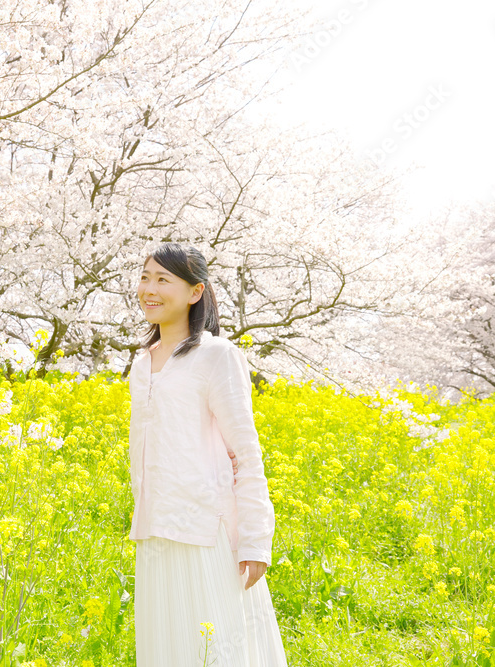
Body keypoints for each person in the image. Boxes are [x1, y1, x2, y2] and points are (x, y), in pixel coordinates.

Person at [129, 242, 289, 666]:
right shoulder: (142, 363)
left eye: (164, 279)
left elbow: (246, 452)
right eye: (145, 277)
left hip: (205, 530)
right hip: (155, 531)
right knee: (167, 649)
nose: (150, 288)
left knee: (217, 650)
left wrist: (255, 541)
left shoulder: (217, 355)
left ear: (195, 292)